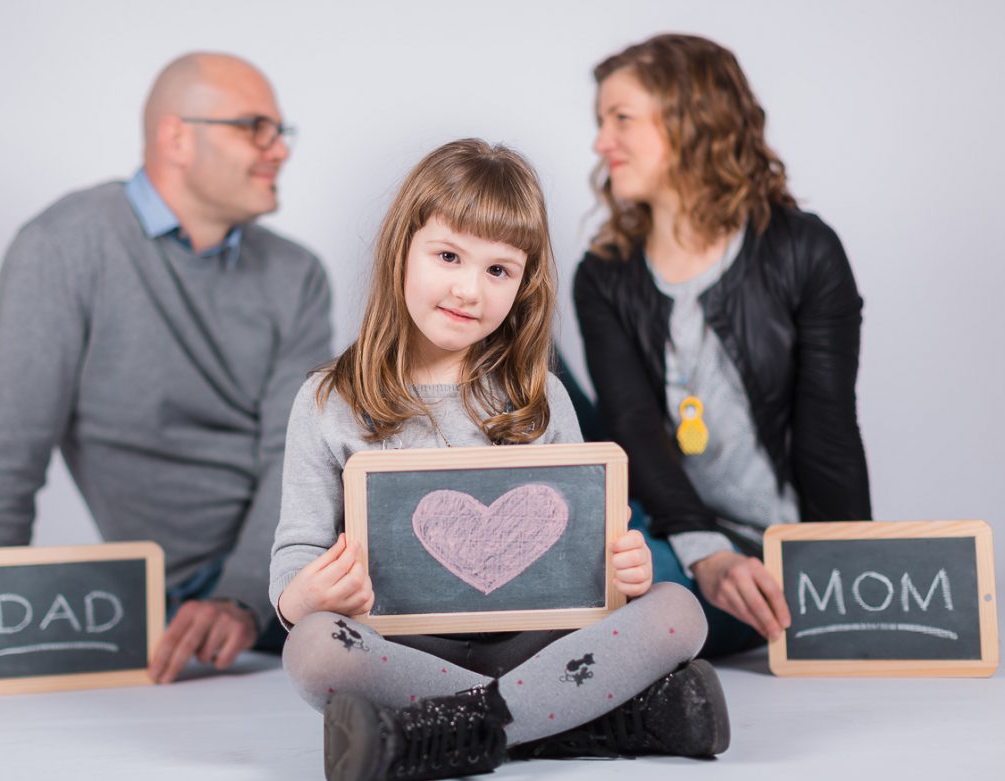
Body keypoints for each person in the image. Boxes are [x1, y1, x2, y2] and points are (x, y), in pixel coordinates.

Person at [0, 53, 332, 687]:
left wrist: (242, 597)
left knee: (460, 611)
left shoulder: (297, 273)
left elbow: (295, 456)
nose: (277, 149)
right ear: (176, 136)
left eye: (280, 131)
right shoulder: (65, 246)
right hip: (183, 594)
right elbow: (11, 449)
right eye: (254, 127)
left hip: (303, 564)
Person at [269, 139, 729, 781]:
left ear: (524, 283)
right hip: (403, 650)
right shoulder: (327, 400)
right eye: (449, 255)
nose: (468, 289)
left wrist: (624, 570)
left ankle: (437, 733)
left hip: (536, 642)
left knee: (678, 610)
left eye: (498, 270)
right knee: (314, 649)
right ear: (403, 248)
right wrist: (301, 595)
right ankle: (583, 723)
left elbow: (589, 546)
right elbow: (297, 548)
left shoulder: (540, 397)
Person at [574, 33, 871, 659]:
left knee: (642, 596)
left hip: (760, 546)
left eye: (621, 118)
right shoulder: (604, 274)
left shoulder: (804, 250)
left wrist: (846, 579)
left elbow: (829, 431)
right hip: (657, 523)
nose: (602, 143)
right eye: (600, 121)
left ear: (691, 118)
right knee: (512, 334)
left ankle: (623, 629)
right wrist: (701, 550)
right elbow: (630, 425)